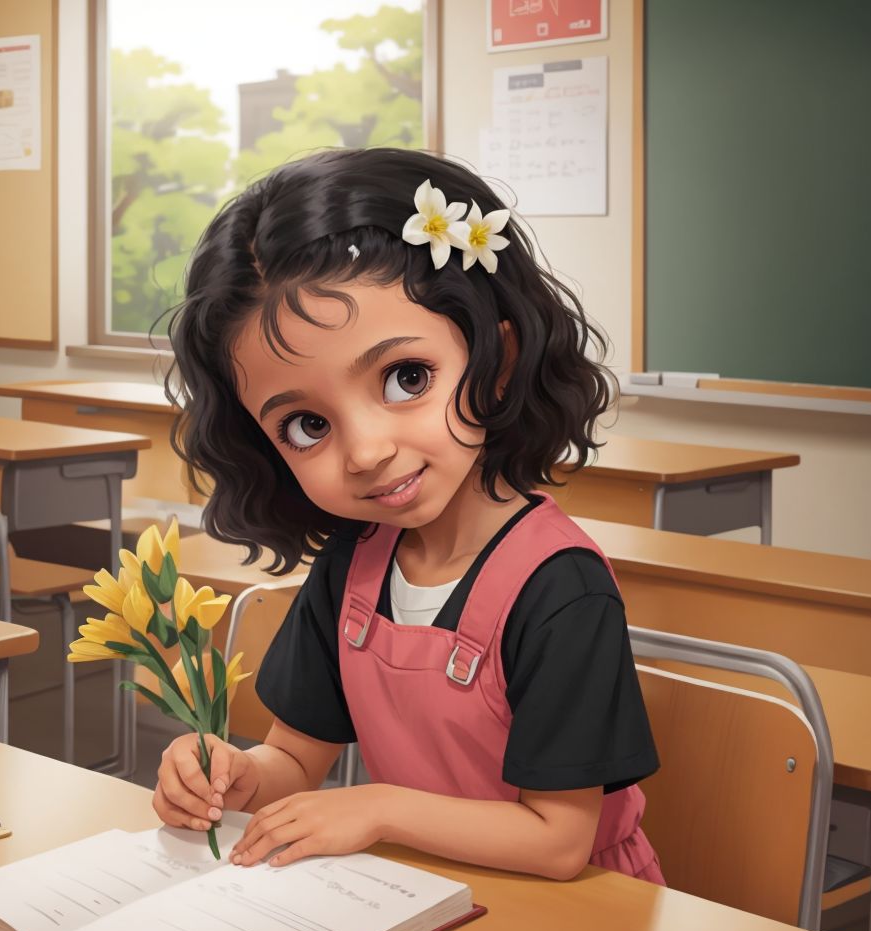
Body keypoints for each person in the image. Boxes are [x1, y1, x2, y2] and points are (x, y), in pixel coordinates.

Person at [154, 147, 664, 884]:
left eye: (406, 378)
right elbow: (296, 759)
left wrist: (379, 810)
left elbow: (558, 841)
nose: (364, 451)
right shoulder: (356, 564)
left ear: (497, 355)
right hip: (418, 894)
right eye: (306, 425)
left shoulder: (562, 588)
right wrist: (231, 775)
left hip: (579, 914)